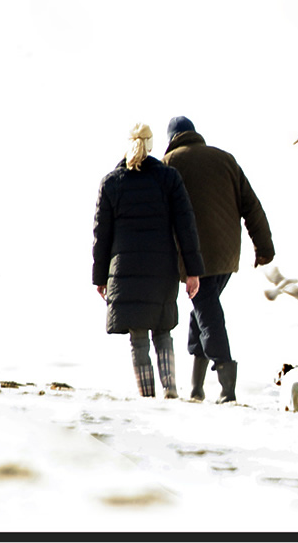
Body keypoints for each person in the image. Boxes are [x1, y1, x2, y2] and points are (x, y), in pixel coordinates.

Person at [162, 116, 275, 403]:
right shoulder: (226, 159)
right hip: (226, 256)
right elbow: (252, 205)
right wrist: (263, 248)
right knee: (203, 308)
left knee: (207, 312)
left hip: (193, 258)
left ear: (172, 138)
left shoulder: (170, 163)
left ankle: (226, 386)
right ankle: (197, 388)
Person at [93, 123, 205, 398]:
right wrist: (193, 271)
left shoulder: (111, 182)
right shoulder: (168, 179)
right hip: (160, 268)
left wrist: (99, 278)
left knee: (138, 336)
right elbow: (185, 226)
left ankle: (147, 396)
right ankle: (170, 389)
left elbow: (101, 235)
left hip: (124, 270)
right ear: (152, 145)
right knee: (163, 329)